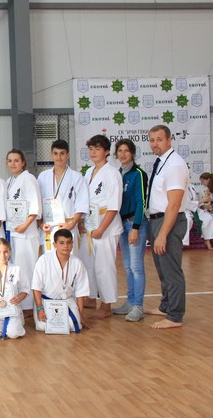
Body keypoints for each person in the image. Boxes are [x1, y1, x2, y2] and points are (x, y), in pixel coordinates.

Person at [146, 125, 190, 329]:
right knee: (162, 268)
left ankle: (175, 316)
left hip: (169, 221)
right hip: (157, 220)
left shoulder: (174, 165)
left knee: (171, 270)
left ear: (170, 140)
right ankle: (166, 306)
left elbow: (173, 204)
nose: (155, 143)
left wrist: (163, 234)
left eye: (159, 139)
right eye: (152, 140)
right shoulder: (162, 162)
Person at [77, 135, 123, 320]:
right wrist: (81, 221)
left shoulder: (112, 173)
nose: (93, 152)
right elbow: (84, 200)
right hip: (90, 223)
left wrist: (102, 229)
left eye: (97, 149)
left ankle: (106, 304)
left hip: (106, 226)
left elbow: (114, 206)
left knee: (104, 266)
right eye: (91, 149)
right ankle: (90, 297)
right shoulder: (89, 172)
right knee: (87, 263)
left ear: (106, 152)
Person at [112, 139, 148, 322]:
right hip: (122, 224)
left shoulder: (138, 174)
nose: (123, 154)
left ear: (132, 153)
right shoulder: (117, 174)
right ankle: (130, 302)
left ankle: (138, 306)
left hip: (134, 224)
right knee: (127, 266)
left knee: (136, 266)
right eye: (120, 151)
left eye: (126, 151)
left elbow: (142, 202)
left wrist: (135, 227)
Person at [4, 149, 41, 311]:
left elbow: (35, 206)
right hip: (13, 231)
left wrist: (25, 225)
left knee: (27, 269)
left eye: (16, 160)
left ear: (23, 162)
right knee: (16, 269)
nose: (13, 164)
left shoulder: (29, 179)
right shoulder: (9, 181)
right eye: (10, 160)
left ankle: (30, 306)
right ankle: (19, 303)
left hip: (26, 233)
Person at [32, 229, 90, 333]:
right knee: (43, 326)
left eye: (68, 242)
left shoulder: (77, 263)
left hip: (67, 301)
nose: (66, 246)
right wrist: (39, 308)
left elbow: (81, 291)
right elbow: (36, 287)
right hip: (46, 301)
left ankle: (72, 318)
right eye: (61, 243)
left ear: (72, 244)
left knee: (75, 325)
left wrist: (81, 314)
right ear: (54, 244)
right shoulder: (43, 260)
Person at [37, 140, 88, 253]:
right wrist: (40, 224)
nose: (59, 157)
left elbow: (81, 203)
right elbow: (38, 202)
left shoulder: (76, 177)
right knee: (50, 260)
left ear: (68, 155)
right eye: (55, 153)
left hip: (68, 225)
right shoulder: (42, 176)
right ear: (51, 155)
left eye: (62, 153)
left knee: (69, 259)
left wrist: (72, 224)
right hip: (49, 227)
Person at [185, 184, 213, 249]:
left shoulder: (191, 186)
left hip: (195, 208)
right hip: (185, 209)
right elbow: (186, 203)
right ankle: (182, 243)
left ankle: (208, 240)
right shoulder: (180, 186)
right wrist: (202, 200)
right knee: (187, 220)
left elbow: (196, 199)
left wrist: (203, 205)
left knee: (208, 218)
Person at [197, 172, 213, 246]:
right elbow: (200, 202)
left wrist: (211, 199)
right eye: (201, 182)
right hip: (206, 209)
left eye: (203, 181)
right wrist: (204, 206)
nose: (202, 183)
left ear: (208, 179)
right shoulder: (202, 189)